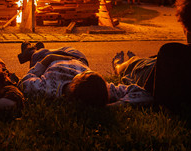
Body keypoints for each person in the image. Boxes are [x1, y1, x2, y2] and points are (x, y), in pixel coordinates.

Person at [18, 43, 152, 107]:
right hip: (77, 56)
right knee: (44, 53)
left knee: (37, 57)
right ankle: (39, 48)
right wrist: (115, 106)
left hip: (53, 60)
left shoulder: (46, 88)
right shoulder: (104, 89)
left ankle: (33, 50)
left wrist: (46, 61)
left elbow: (24, 82)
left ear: (73, 84)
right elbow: (143, 94)